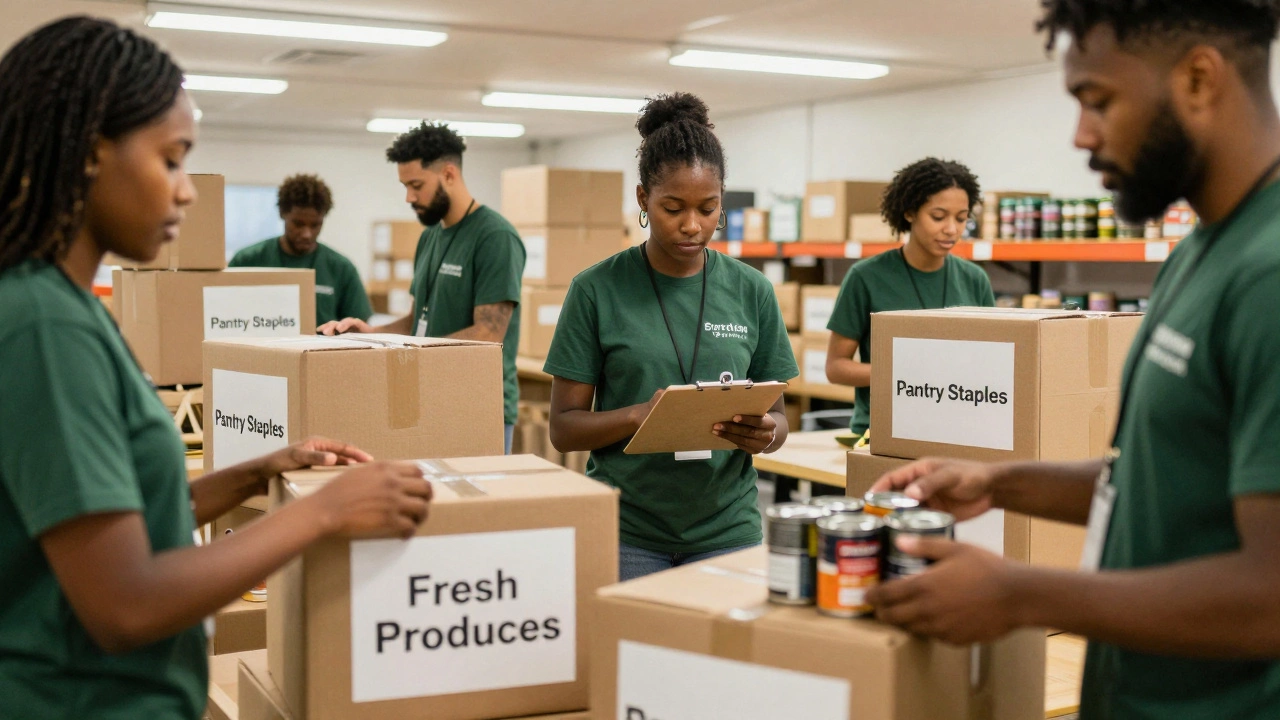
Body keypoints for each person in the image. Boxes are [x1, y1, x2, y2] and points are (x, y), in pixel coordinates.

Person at [0, 17, 432, 719]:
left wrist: (260, 471)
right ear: (88, 152)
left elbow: (128, 517)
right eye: (171, 160)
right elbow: (125, 602)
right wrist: (325, 512)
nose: (187, 190)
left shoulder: (67, 310)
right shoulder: (44, 323)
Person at [866, 2, 1280, 718]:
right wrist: (999, 482)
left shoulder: (1269, 276)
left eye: (1099, 100)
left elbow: (1270, 595)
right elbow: (1161, 477)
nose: (1082, 135)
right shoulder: (1199, 253)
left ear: (1199, 79)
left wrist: (1020, 593)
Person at [544, 93, 798, 582]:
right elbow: (564, 428)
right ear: (643, 199)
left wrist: (767, 435)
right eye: (673, 207)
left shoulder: (752, 291)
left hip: (729, 532)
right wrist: (641, 415)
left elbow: (780, 420)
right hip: (628, 533)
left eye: (708, 209)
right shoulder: (595, 289)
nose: (692, 226)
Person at [319, 123, 525, 454]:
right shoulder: (430, 236)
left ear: (448, 174)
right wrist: (370, 333)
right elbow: (417, 321)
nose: (409, 197)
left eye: (416, 185)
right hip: (427, 400)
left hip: (479, 409)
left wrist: (410, 355)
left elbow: (488, 334)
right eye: (405, 186)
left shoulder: (495, 237)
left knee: (471, 505)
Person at [825, 158, 995, 437]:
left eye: (961, 218)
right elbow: (836, 368)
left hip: (961, 430)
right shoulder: (866, 276)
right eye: (938, 217)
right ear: (909, 212)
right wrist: (905, 376)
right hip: (882, 432)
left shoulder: (975, 279)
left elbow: (991, 362)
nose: (951, 229)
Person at [228, 173, 372, 327]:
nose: (306, 234)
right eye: (298, 224)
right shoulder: (247, 260)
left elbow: (359, 327)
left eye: (315, 225)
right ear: (282, 214)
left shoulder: (342, 269)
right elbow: (223, 315)